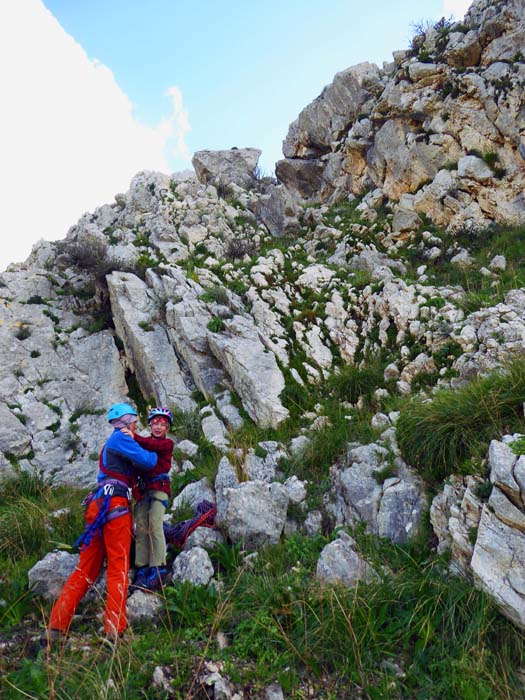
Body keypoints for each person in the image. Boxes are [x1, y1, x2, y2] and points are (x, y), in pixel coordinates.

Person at [47, 402, 158, 641]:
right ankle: (114, 629)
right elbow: (149, 461)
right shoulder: (121, 438)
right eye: (134, 421)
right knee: (119, 567)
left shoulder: (114, 443)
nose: (136, 425)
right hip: (115, 507)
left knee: (86, 568)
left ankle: (56, 627)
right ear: (126, 421)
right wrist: (139, 439)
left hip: (99, 507)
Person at [129, 407, 174, 593]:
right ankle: (142, 567)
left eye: (163, 424)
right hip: (143, 490)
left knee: (155, 524)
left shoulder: (167, 444)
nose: (158, 427)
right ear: (150, 424)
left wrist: (133, 436)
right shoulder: (144, 442)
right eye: (156, 422)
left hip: (159, 489)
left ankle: (158, 567)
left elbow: (153, 446)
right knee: (141, 529)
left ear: (167, 428)